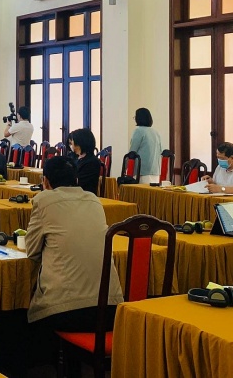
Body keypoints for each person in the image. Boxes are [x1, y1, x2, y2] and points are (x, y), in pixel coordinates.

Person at [24, 156, 123, 371]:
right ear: (76, 179)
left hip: (68, 313)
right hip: (110, 310)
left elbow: (32, 251)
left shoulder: (43, 200)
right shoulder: (93, 200)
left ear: (45, 181)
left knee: (23, 321)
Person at [129, 108, 162, 183]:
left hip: (141, 171)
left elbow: (132, 152)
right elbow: (161, 151)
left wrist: (126, 167)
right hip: (155, 171)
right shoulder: (156, 132)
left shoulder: (138, 131)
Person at [68, 128, 102, 195]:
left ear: (80, 142)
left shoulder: (92, 162)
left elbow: (80, 182)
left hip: (84, 195)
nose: (70, 145)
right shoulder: (74, 158)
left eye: (71, 142)